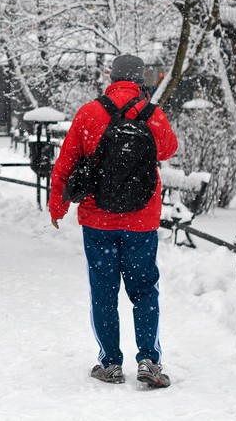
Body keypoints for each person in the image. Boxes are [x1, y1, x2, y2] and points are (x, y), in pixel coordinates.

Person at [49, 53, 179, 388]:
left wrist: (56, 206)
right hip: (141, 220)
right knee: (144, 290)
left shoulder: (90, 113)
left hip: (98, 220)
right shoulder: (152, 115)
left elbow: (65, 162)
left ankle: (110, 363)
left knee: (103, 292)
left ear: (112, 78)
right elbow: (168, 148)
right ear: (140, 80)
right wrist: (146, 112)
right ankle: (149, 359)